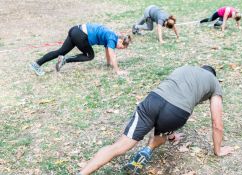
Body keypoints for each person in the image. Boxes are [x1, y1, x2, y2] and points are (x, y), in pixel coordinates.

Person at [77, 65, 233, 175]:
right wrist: (218, 151)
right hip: (176, 113)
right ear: (213, 75)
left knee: (118, 146)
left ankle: (82, 173)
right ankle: (148, 149)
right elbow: (217, 124)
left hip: (153, 101)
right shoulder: (213, 82)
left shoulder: (184, 68)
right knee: (162, 131)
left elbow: (170, 92)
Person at [30, 23, 131, 76]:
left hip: (75, 29)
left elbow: (107, 51)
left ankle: (37, 64)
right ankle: (65, 59)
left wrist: (108, 64)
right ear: (120, 40)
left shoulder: (111, 35)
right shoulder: (112, 38)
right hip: (81, 35)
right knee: (89, 56)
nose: (119, 48)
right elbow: (111, 53)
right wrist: (117, 71)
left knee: (60, 51)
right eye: (121, 47)